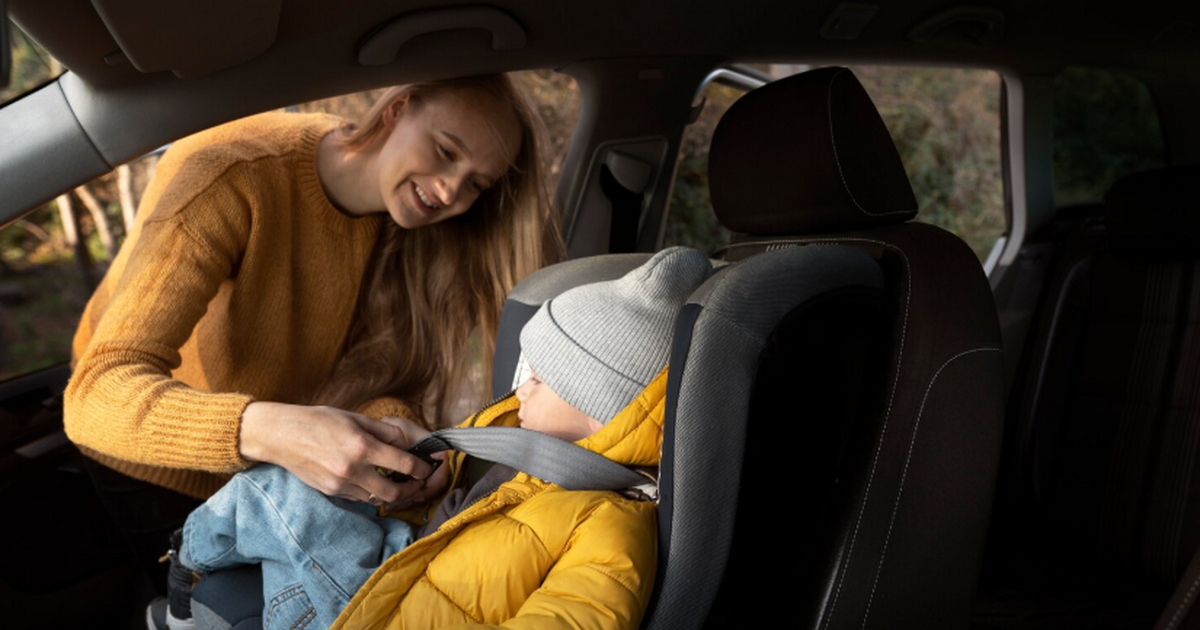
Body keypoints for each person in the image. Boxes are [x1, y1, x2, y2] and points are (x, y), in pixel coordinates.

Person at [62, 74, 559, 599]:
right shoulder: (234, 173)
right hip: (150, 456)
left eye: (477, 183)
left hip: (266, 473)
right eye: (444, 151)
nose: (449, 191)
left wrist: (395, 432)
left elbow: (379, 371)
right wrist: (277, 433)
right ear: (398, 108)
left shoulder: (417, 229)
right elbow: (95, 396)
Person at [169, 246, 713, 630]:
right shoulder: (512, 434)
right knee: (296, 482)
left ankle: (181, 579)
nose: (520, 388)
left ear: (602, 411)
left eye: (541, 381)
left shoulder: (612, 527)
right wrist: (422, 464)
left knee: (273, 492)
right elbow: (464, 503)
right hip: (406, 565)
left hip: (377, 614)